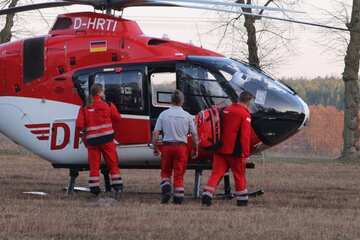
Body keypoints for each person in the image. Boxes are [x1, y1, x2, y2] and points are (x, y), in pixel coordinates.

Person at [201, 91, 254, 207]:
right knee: (239, 174)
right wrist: (245, 153)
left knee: (216, 173)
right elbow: (245, 136)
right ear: (248, 102)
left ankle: (207, 193)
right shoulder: (245, 114)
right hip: (235, 151)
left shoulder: (226, 109)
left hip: (219, 149)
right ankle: (242, 200)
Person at [76, 83, 123, 198]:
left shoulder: (84, 107)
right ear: (100, 92)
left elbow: (79, 125)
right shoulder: (108, 104)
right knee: (112, 162)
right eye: (103, 91)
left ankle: (94, 187)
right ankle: (117, 186)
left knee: (94, 165)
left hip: (92, 141)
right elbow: (117, 118)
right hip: (107, 139)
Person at [153, 90, 199, 204]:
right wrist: (195, 148)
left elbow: (155, 133)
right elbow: (194, 134)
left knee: (165, 172)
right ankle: (178, 198)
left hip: (167, 147)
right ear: (182, 101)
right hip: (181, 148)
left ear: (171, 101)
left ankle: (166, 187)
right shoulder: (187, 116)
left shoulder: (163, 114)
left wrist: (155, 147)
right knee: (179, 173)